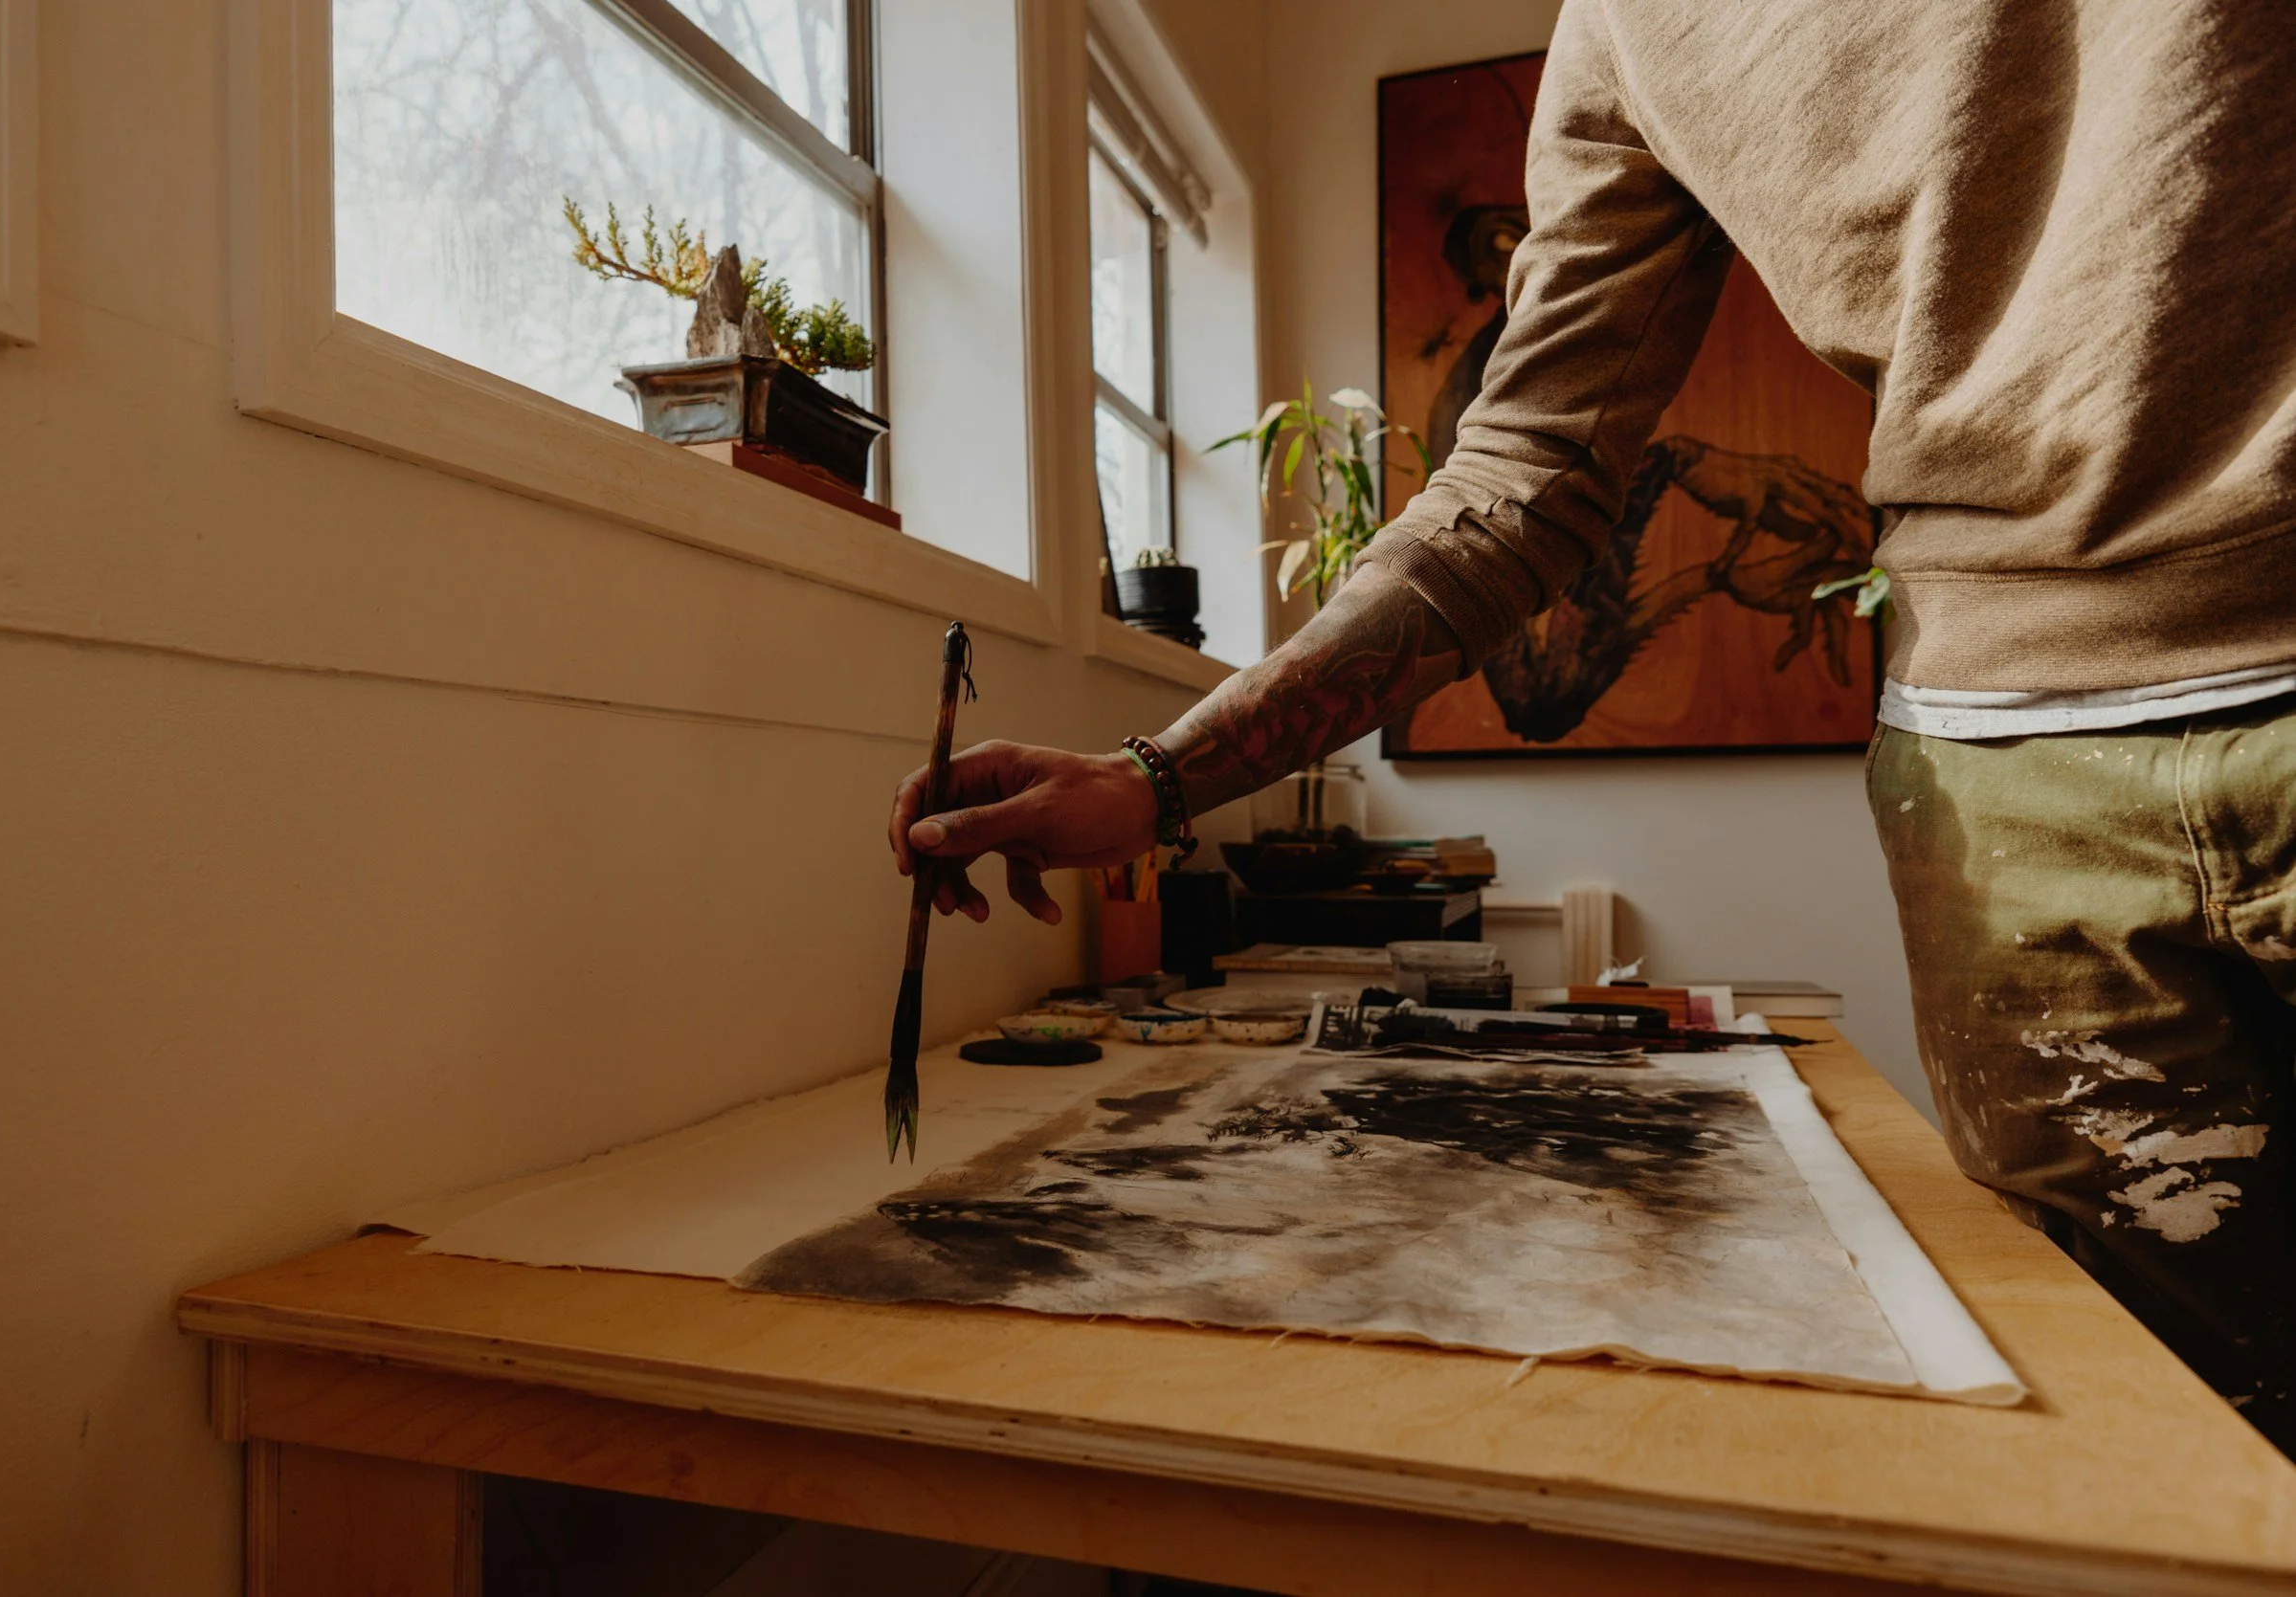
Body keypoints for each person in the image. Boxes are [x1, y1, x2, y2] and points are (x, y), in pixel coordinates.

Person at [889, 0, 2296, 1447]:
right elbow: (1518, 481)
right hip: (2011, 784)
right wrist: (1160, 780)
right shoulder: (1625, 29)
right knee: (2171, 1447)